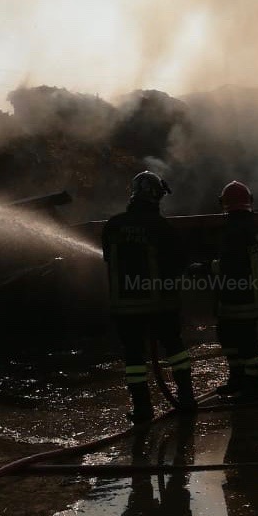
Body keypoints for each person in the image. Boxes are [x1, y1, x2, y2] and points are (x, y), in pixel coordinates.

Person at [101, 170, 196, 424]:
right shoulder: (162, 228)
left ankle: (143, 410)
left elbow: (109, 259)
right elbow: (180, 263)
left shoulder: (113, 226)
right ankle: (187, 399)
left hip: (125, 308)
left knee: (134, 358)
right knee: (175, 349)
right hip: (161, 305)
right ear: (156, 197)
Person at [211, 180, 258, 401]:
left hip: (237, 295)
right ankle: (239, 380)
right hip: (253, 294)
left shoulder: (233, 230)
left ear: (224, 203)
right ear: (249, 201)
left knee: (242, 340)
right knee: (233, 336)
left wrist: (203, 268)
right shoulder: (255, 226)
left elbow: (228, 265)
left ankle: (252, 386)